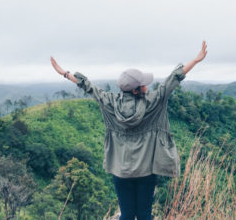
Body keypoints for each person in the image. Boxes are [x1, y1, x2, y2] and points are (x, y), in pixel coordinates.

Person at [50, 41, 207, 220]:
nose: (147, 86)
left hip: (121, 172)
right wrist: (195, 60)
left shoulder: (109, 103)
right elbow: (173, 79)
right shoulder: (153, 103)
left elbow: (88, 87)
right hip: (147, 171)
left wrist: (65, 73)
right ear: (135, 91)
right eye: (144, 84)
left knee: (126, 215)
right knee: (144, 215)